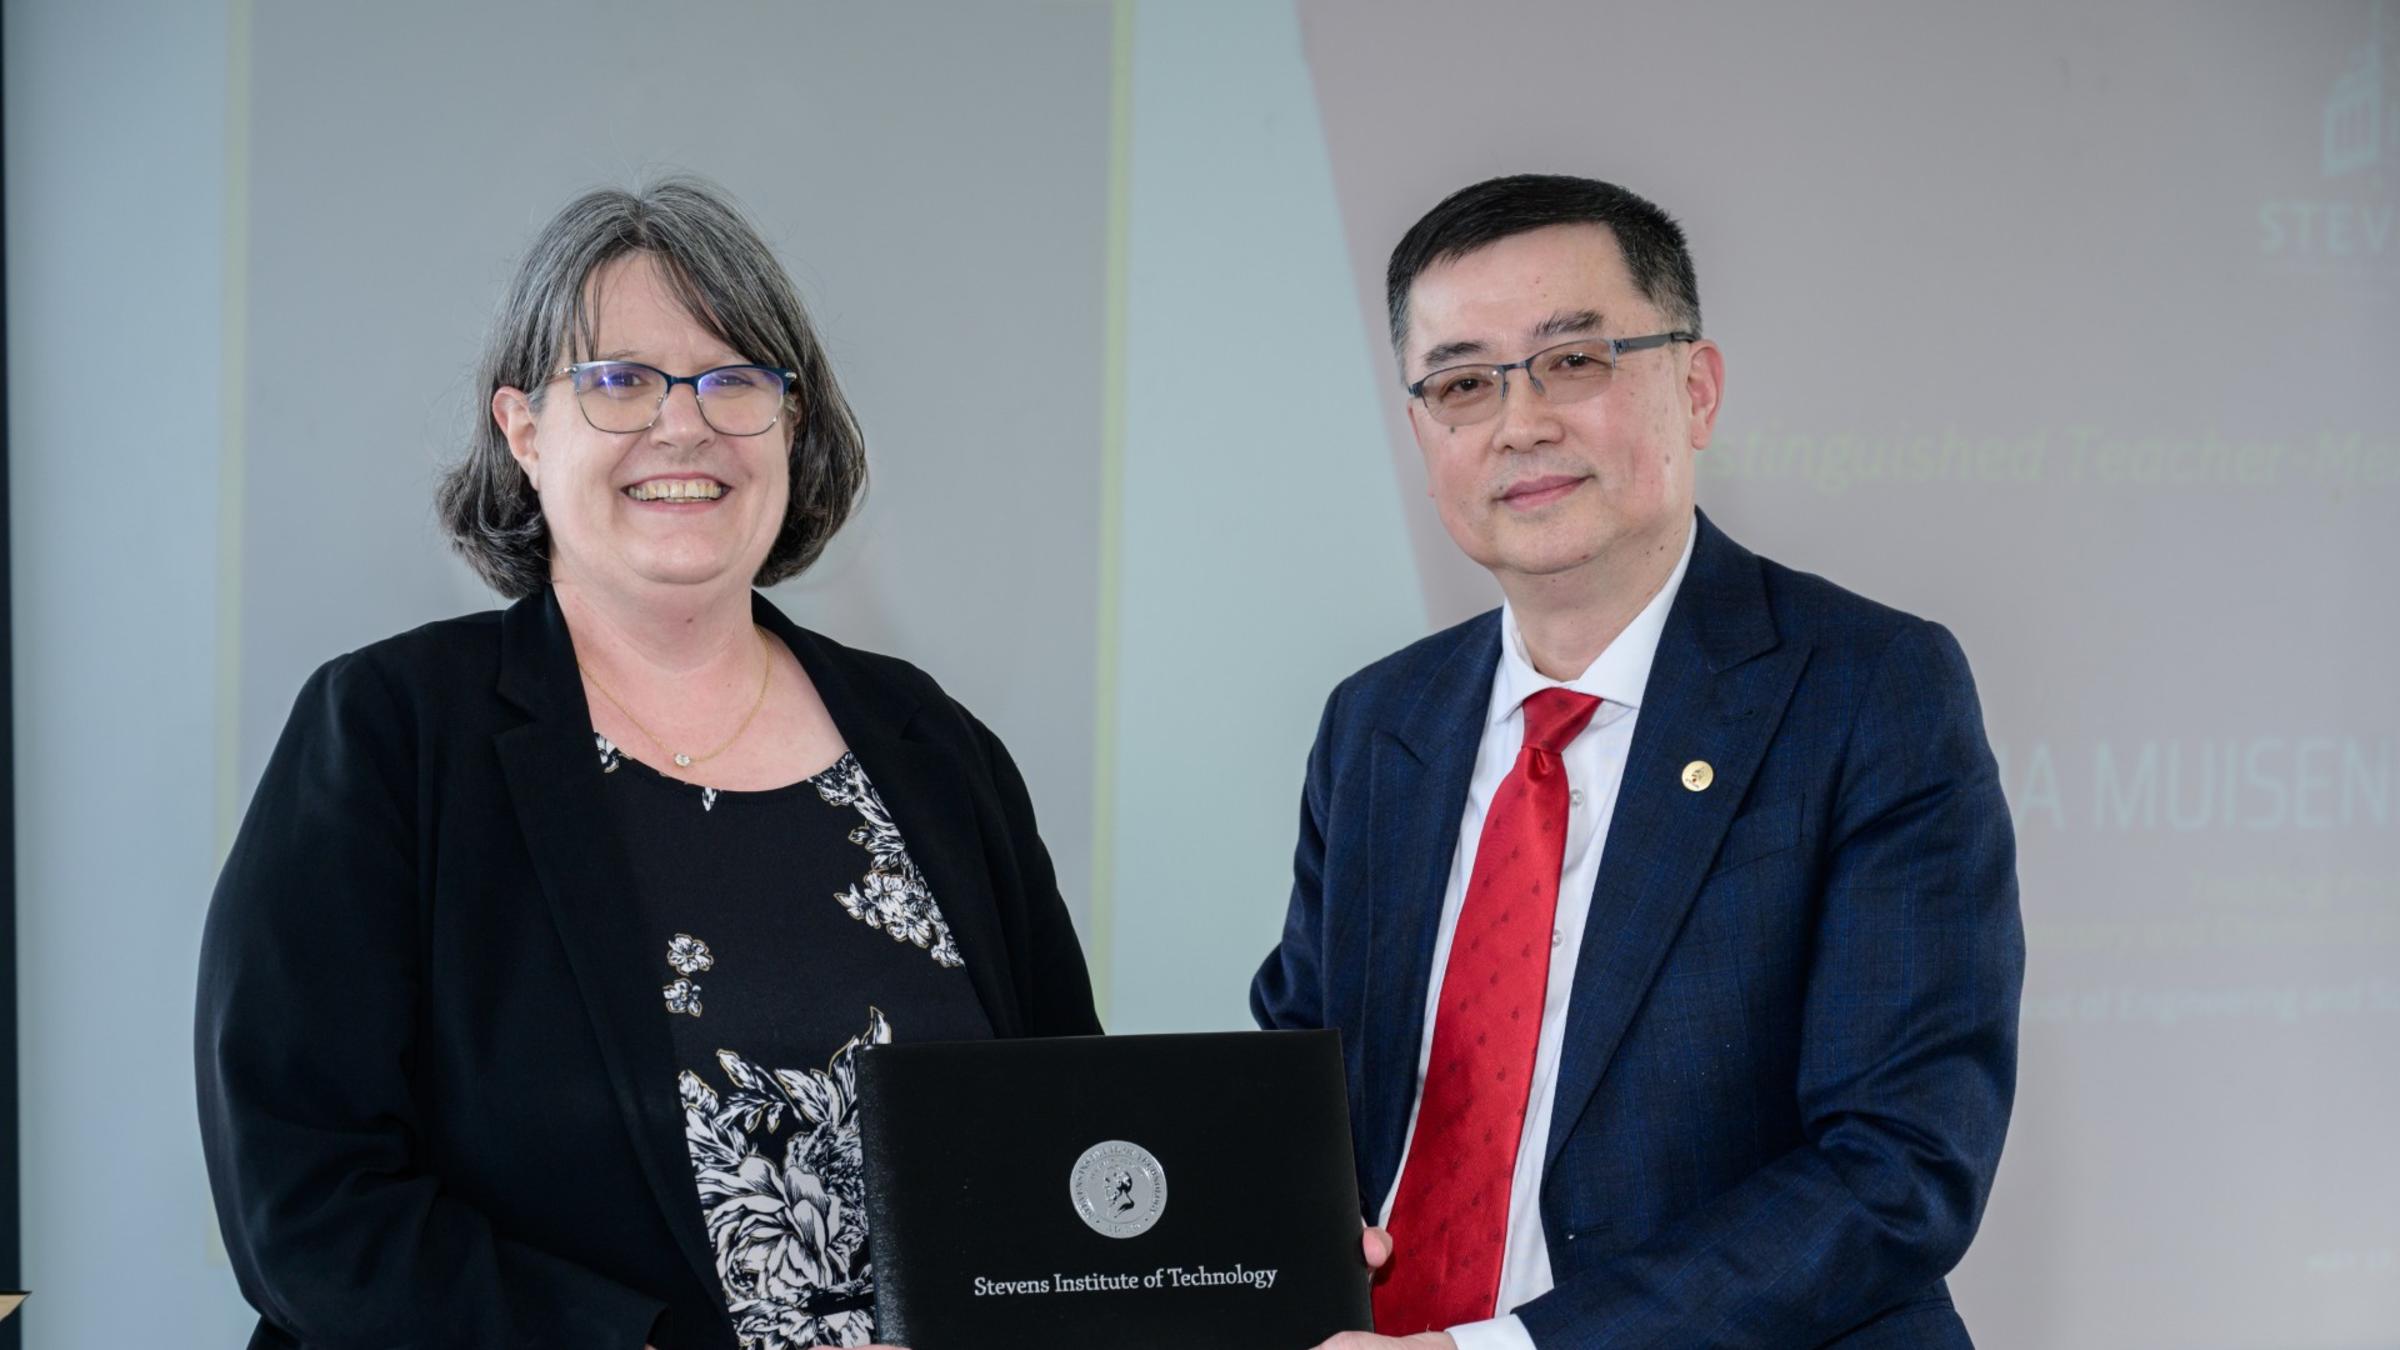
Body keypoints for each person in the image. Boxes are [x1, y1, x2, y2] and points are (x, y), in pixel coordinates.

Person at [195, 180, 1100, 1350]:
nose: (686, 427)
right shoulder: (389, 735)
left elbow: (1070, 1135)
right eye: (618, 382)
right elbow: (305, 1203)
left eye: (736, 381)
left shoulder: (931, 746)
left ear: (792, 428)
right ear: (522, 431)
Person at [1256, 175, 2024, 1349]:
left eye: (1574, 362)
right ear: (1422, 435)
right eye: (1464, 385)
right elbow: (1296, 1082)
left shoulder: (1870, 690)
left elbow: (1899, 1165)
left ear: (1697, 388)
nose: (1521, 425)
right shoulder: (1378, 724)